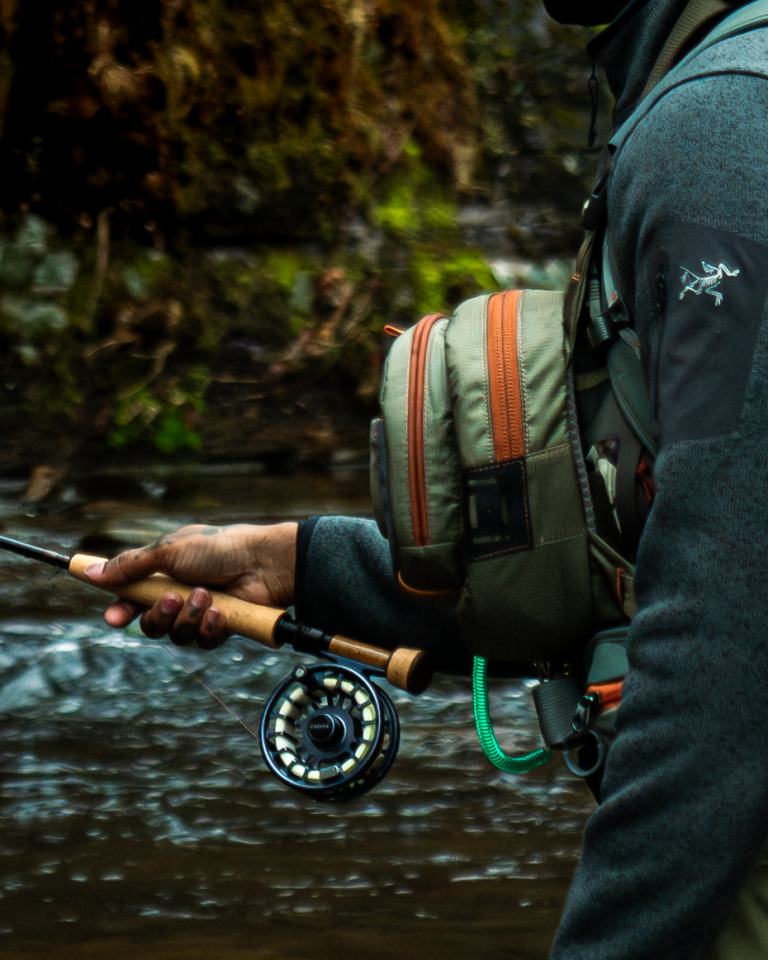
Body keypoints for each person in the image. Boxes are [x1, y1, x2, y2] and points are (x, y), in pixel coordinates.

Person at [86, 0, 768, 956]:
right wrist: (301, 566)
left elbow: (727, 638)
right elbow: (667, 541)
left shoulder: (725, 132)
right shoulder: (714, 101)